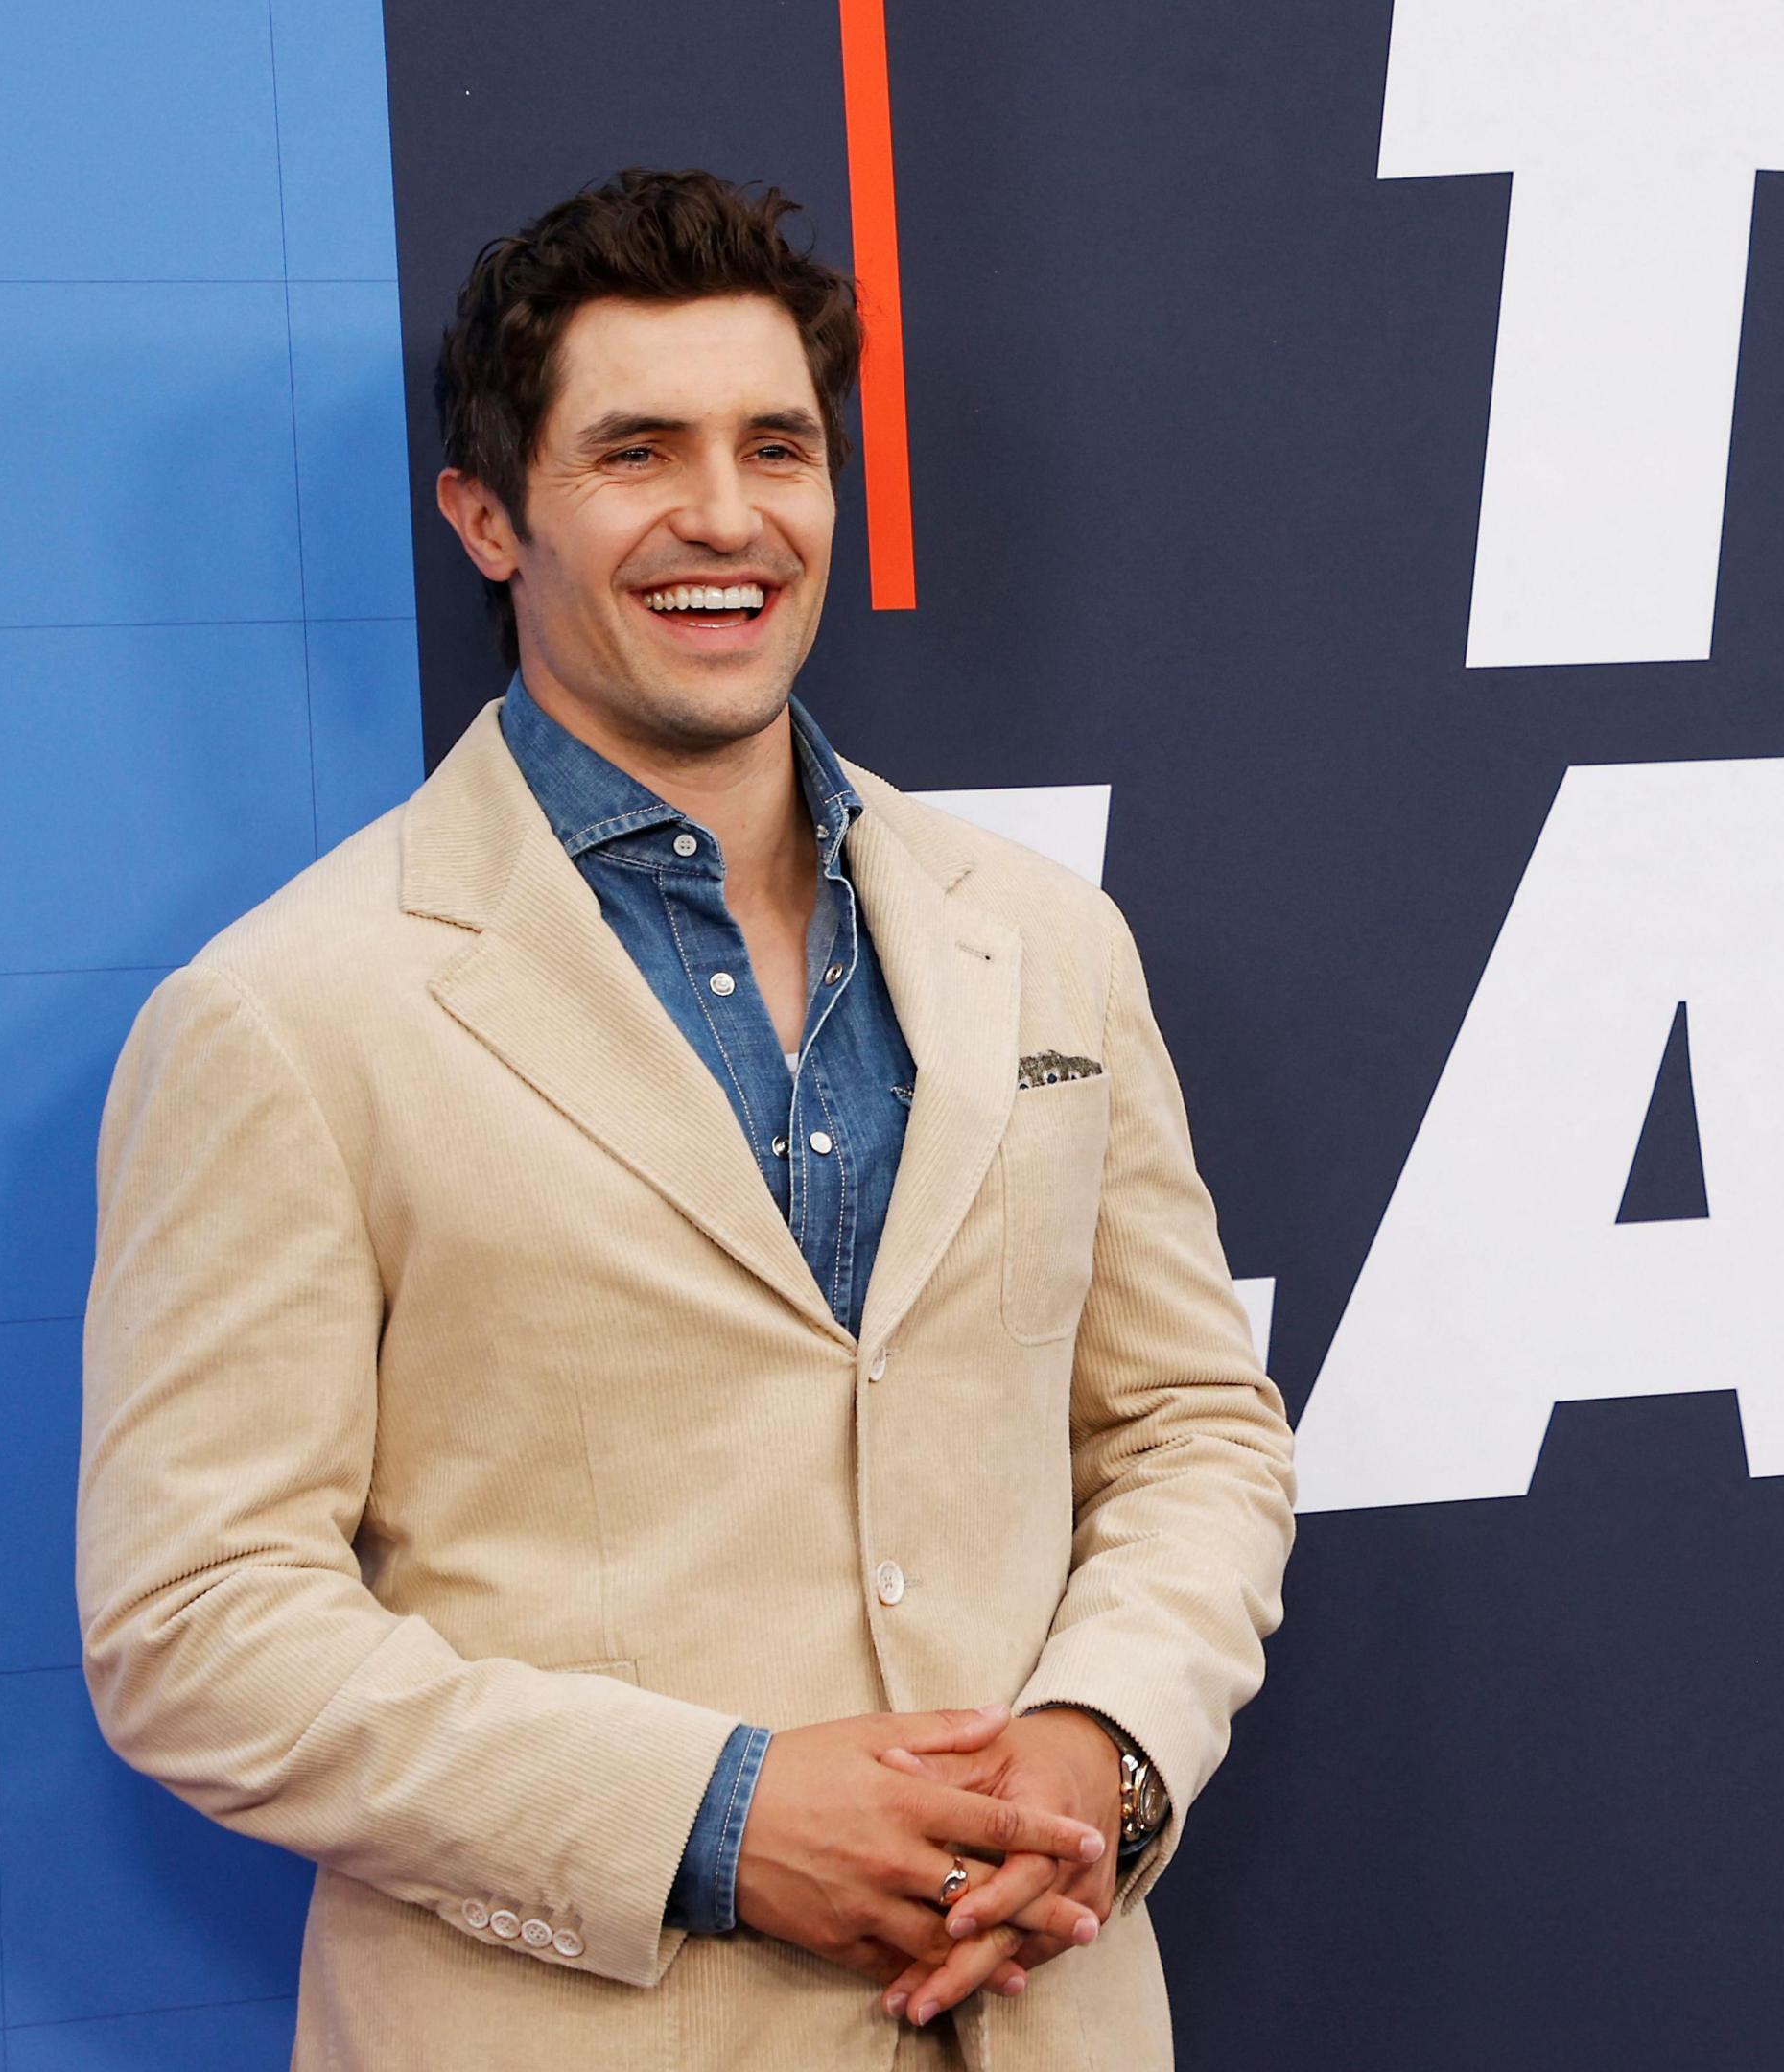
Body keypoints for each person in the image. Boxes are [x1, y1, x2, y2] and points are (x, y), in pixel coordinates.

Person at [74, 169, 1293, 2069]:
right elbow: (198, 1624)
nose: (726, 519)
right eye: (636, 453)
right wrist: (717, 1817)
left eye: (777, 449)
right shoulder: (288, 1014)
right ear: (487, 515)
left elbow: (1190, 1432)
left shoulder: (1046, 940)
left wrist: (1100, 1750)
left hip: (1044, 2016)